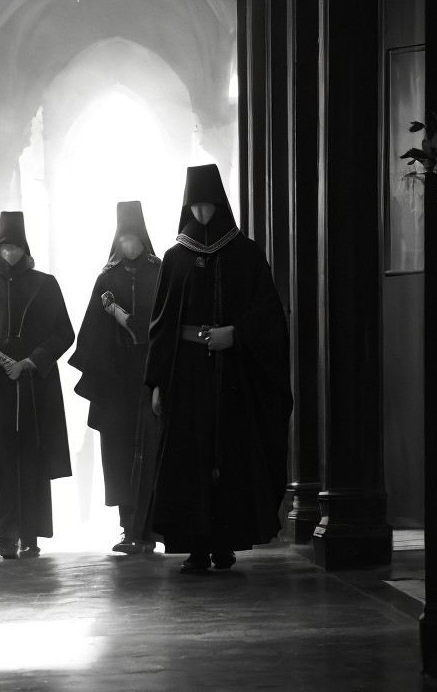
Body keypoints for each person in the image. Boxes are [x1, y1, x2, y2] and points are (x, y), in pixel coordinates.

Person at [145, 164, 292, 573]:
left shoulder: (246, 253)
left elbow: (268, 317)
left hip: (232, 374)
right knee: (189, 456)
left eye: (208, 204)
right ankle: (194, 546)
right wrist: (157, 382)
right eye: (196, 205)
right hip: (186, 375)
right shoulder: (174, 258)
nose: (203, 213)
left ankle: (225, 541)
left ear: (221, 204)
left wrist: (237, 334)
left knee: (230, 454)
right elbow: (161, 326)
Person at [0, 212, 74, 559]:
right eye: (5, 245)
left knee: (33, 454)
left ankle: (32, 534)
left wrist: (30, 362)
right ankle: (6, 534)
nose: (10, 252)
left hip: (34, 384)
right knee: (0, 457)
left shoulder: (46, 283)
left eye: (16, 245)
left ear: (26, 249)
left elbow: (63, 333)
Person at [68, 200, 162, 555]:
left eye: (135, 237)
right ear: (117, 239)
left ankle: (151, 527)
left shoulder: (160, 272)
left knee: (153, 446)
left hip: (151, 374)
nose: (130, 244)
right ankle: (128, 528)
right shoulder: (106, 278)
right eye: (124, 238)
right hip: (117, 380)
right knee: (121, 451)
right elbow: (90, 333)